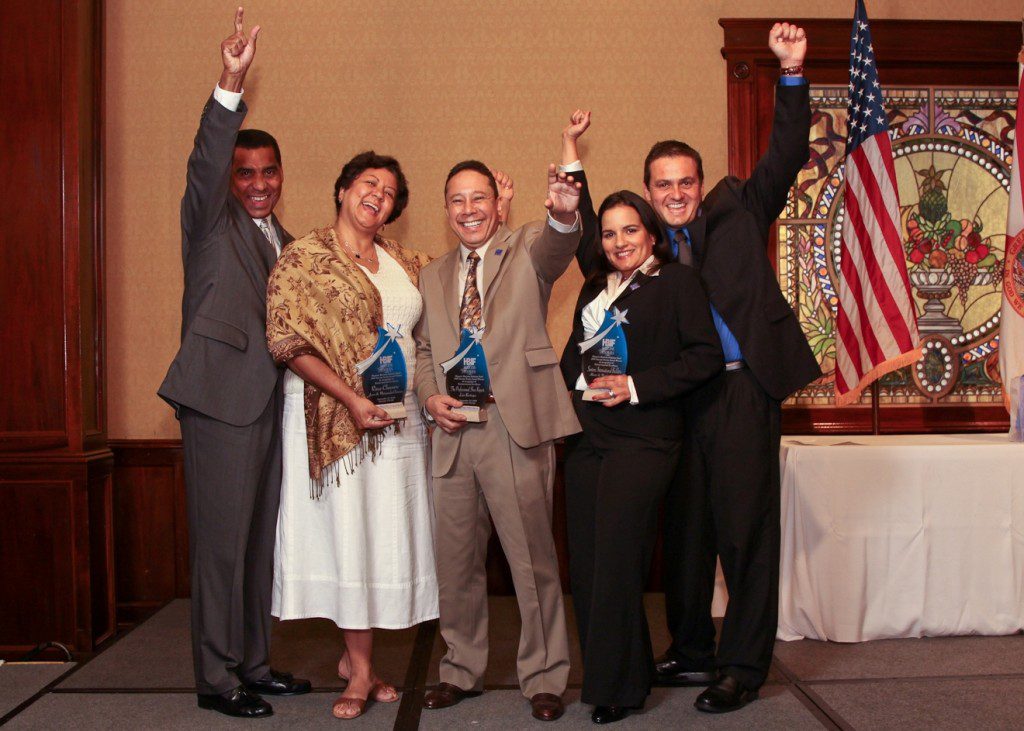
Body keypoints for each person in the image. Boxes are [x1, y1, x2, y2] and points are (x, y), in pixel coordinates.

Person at [561, 21, 821, 714]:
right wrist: (574, 169)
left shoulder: (739, 206)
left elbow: (787, 153)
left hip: (740, 392)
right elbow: (596, 239)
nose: (676, 192)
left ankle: (741, 663)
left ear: (700, 183)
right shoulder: (646, 252)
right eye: (663, 184)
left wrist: (791, 73)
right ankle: (692, 646)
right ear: (649, 189)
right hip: (677, 401)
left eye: (686, 182)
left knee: (744, 530)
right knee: (687, 530)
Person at [157, 8, 310, 718]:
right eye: (244, 172)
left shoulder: (282, 234)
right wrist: (230, 80)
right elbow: (206, 158)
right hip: (219, 401)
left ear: (281, 176)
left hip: (270, 403)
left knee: (255, 543)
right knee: (221, 547)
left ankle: (253, 661)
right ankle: (216, 679)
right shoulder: (209, 218)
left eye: (267, 171)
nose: (255, 182)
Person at [266, 150, 438, 720]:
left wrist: (500, 215)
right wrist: (351, 399)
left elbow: (460, 292)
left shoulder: (406, 261)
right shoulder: (303, 257)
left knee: (383, 539)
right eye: (369, 183)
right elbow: (287, 341)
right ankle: (361, 671)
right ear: (343, 189)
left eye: (390, 192)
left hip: (399, 421)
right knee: (349, 538)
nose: (378, 196)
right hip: (337, 420)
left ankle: (354, 660)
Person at [414, 160, 582, 722]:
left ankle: (544, 676)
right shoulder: (433, 274)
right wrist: (430, 394)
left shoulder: (526, 251)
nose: (468, 210)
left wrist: (561, 210)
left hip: (515, 428)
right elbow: (419, 350)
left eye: (478, 198)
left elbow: (561, 240)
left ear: (497, 203)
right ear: (446, 210)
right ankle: (460, 670)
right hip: (454, 431)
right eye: (457, 200)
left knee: (531, 561)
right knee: (455, 563)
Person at [560, 191, 723, 724]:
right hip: (589, 438)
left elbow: (704, 357)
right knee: (586, 563)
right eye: (609, 233)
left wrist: (634, 385)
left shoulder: (677, 283)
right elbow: (570, 362)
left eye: (630, 230)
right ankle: (611, 674)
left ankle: (619, 689)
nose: (619, 242)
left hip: (646, 437)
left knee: (617, 560)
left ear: (651, 234)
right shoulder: (592, 288)